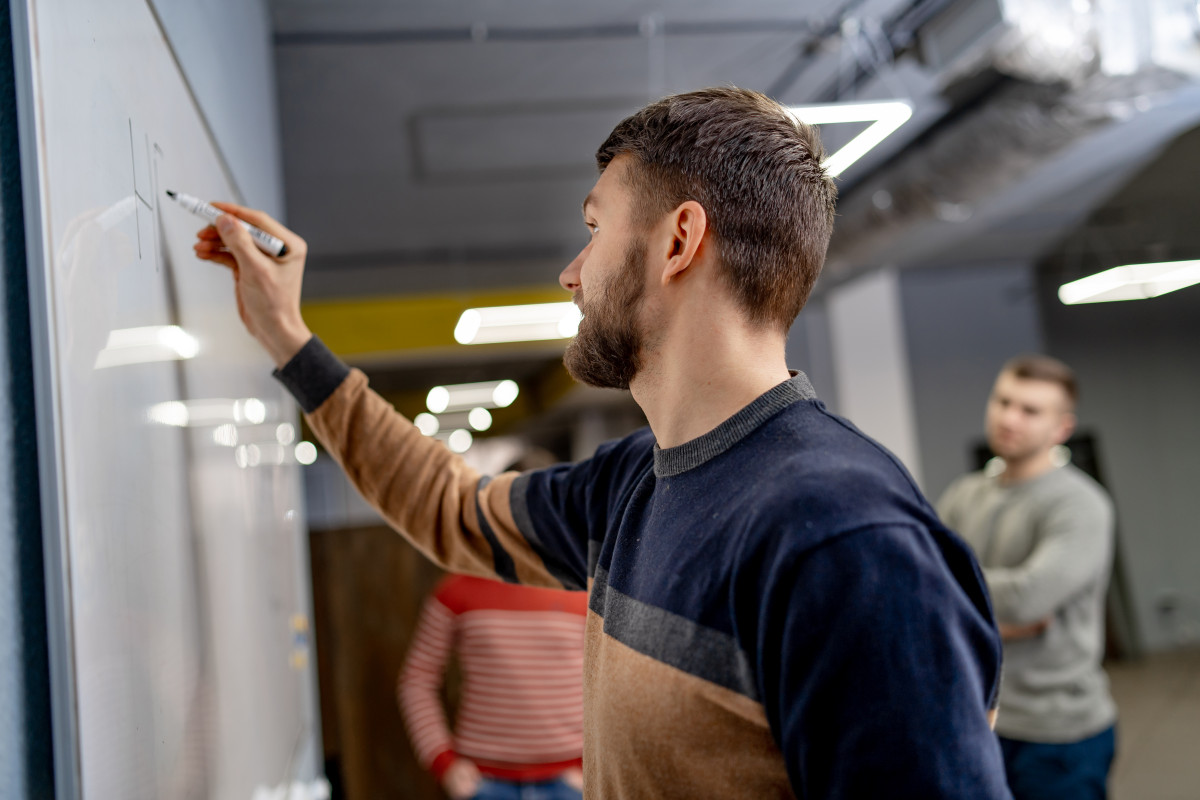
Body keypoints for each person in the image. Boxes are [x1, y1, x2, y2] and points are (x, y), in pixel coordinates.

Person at [193, 87, 1011, 798]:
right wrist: (290, 343)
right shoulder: (633, 484)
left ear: (679, 242)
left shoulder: (843, 539)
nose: (572, 271)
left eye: (594, 228)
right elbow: (448, 504)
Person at [937, 355, 1117, 800]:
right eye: (1003, 401)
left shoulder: (1079, 505)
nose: (1009, 418)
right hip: (978, 718)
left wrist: (959, 602)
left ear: (1062, 428)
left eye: (1030, 410)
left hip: (1057, 733)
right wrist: (997, 621)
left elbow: (1026, 598)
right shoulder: (964, 494)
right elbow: (922, 577)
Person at [398, 574, 586, 800]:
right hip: (482, 782)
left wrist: (595, 765)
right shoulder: (456, 591)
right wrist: (444, 763)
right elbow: (417, 680)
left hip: (573, 782)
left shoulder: (585, 590)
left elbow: (614, 687)